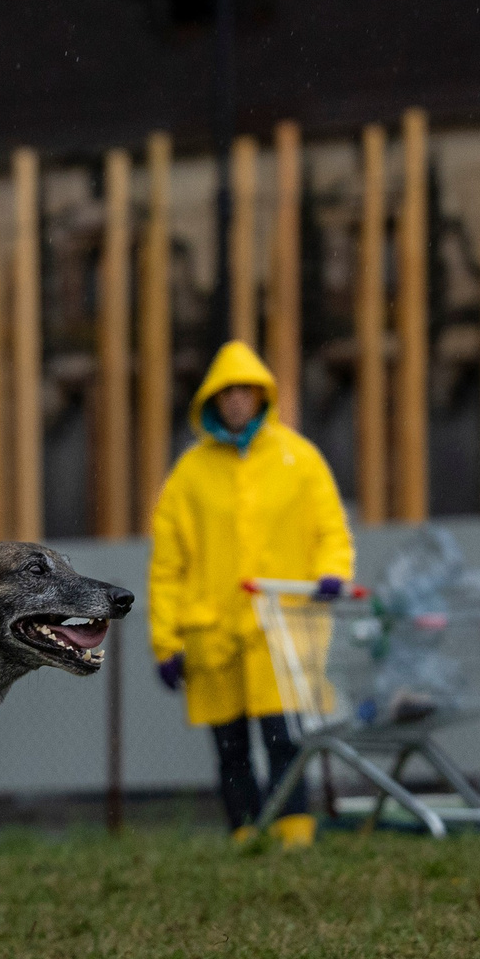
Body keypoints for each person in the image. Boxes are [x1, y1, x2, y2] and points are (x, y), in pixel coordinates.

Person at [146, 341, 355, 844]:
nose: (237, 400)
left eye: (246, 390)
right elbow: (167, 565)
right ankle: (244, 832)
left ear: (262, 395)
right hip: (213, 631)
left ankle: (293, 828)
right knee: (231, 743)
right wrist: (165, 641)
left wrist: (331, 572)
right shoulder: (189, 476)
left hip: (281, 628)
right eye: (227, 392)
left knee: (285, 735)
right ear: (212, 400)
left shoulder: (298, 459)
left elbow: (331, 528)